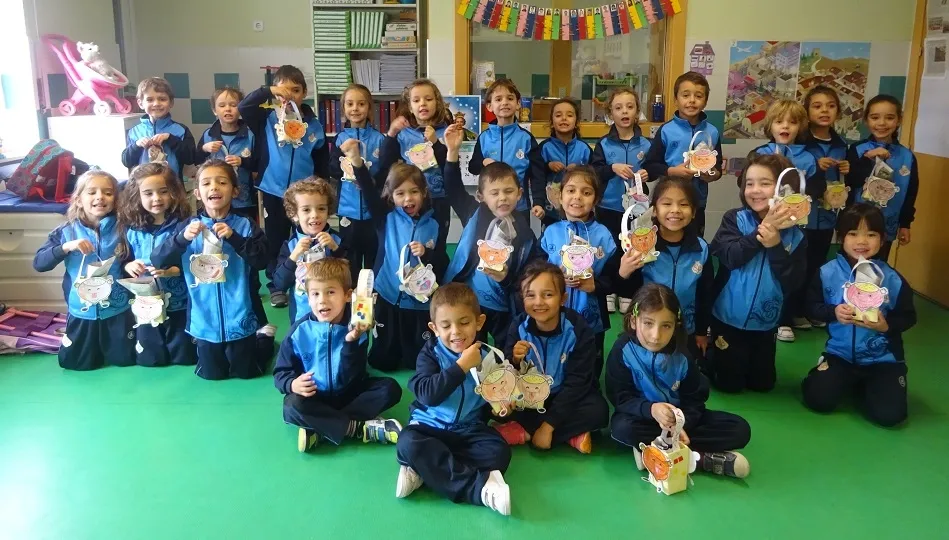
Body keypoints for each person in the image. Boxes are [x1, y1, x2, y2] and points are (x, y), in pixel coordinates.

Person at [606, 283, 751, 479]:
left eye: (666, 326)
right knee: (622, 429)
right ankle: (700, 459)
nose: (656, 336)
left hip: (679, 423)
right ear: (634, 321)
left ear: (676, 326)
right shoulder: (622, 350)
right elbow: (621, 398)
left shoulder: (683, 355)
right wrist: (651, 409)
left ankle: (654, 452)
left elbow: (695, 400)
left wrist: (680, 425)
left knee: (739, 429)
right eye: (648, 323)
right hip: (643, 419)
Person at [395, 283, 513, 516]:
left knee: (499, 452)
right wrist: (460, 367)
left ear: (479, 322)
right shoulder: (430, 354)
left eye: (464, 322)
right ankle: (479, 490)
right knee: (408, 442)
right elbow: (428, 394)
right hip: (429, 429)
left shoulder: (489, 357)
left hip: (468, 430)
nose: (456, 332)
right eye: (446, 325)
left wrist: (501, 409)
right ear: (434, 328)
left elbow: (489, 401)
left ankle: (426, 469)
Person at [151, 160, 271, 380]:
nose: (214, 187)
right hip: (203, 316)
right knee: (211, 375)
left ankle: (263, 339)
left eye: (222, 182)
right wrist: (181, 239)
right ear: (197, 193)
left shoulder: (244, 225)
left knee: (248, 373)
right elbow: (158, 259)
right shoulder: (186, 227)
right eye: (206, 183)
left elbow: (262, 260)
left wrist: (235, 238)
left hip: (241, 314)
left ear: (235, 191)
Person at [801, 203, 915, 427]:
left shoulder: (892, 279)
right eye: (853, 234)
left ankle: (873, 384)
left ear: (882, 240)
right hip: (840, 355)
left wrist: (886, 326)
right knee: (818, 400)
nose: (861, 241)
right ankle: (830, 374)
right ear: (841, 237)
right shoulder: (827, 272)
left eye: (871, 234)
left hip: (882, 359)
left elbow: (909, 317)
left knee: (890, 416)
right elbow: (810, 306)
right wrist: (832, 312)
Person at [274, 258, 403, 451]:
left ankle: (321, 428)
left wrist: (351, 341)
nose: (322, 300)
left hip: (350, 392)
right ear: (308, 298)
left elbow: (351, 375)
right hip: (315, 396)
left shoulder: (356, 327)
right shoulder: (298, 332)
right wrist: (292, 384)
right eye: (315, 294)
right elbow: (280, 373)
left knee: (390, 389)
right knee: (291, 405)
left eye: (331, 292)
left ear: (348, 295)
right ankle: (357, 428)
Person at [346, 139, 448, 371]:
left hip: (419, 301)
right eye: (400, 193)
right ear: (391, 196)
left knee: (417, 362)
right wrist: (356, 161)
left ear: (423, 193)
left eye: (414, 192)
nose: (408, 199)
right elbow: (370, 192)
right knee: (383, 361)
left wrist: (427, 253)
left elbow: (441, 259)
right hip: (388, 295)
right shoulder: (386, 219)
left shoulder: (434, 223)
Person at [708, 154, 807, 393]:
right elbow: (730, 256)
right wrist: (762, 234)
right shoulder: (734, 219)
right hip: (727, 318)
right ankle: (710, 355)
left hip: (766, 324)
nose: (755, 190)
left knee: (762, 385)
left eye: (764, 183)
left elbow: (794, 281)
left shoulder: (797, 234)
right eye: (749, 184)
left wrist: (775, 246)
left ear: (784, 188)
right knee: (728, 385)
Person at [442, 122, 541, 350]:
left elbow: (525, 276)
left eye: (508, 192)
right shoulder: (473, 213)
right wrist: (452, 153)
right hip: (470, 301)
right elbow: (453, 188)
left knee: (503, 352)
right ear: (481, 196)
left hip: (502, 306)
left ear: (520, 194)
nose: (502, 198)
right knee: (471, 351)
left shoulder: (525, 234)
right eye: (494, 193)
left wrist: (506, 278)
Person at [494, 262, 609, 453]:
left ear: (562, 298)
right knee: (493, 405)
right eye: (530, 295)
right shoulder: (519, 326)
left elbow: (578, 382)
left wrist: (548, 427)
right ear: (523, 298)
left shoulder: (578, 329)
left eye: (548, 295)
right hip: (530, 397)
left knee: (599, 411)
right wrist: (514, 359)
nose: (538, 302)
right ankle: (570, 436)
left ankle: (527, 432)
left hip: (564, 395)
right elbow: (508, 372)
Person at [239, 65, 328, 309]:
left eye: (296, 90)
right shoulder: (266, 119)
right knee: (276, 239)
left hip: (305, 196)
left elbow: (322, 162)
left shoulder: (315, 125)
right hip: (273, 190)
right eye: (283, 90)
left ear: (305, 92)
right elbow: (243, 107)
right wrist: (269, 90)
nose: (289, 96)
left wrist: (320, 191)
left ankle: (311, 278)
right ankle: (277, 285)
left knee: (306, 237)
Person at [33, 170, 135, 370]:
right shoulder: (66, 231)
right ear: (78, 200)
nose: (100, 197)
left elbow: (130, 261)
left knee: (127, 360)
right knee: (74, 363)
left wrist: (130, 265)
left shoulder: (125, 229)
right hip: (83, 310)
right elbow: (39, 263)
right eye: (92, 192)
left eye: (107, 192)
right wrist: (66, 247)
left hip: (116, 309)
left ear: (115, 199)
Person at [617, 177, 714, 369]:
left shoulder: (701, 248)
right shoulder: (642, 246)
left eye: (684, 204)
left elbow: (705, 294)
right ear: (654, 210)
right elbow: (628, 291)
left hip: (686, 329)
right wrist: (623, 273)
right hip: (648, 328)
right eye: (667, 203)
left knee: (681, 375)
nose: (675, 210)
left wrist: (702, 332)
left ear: (694, 212)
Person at [750, 98, 826, 343]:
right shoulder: (759, 154)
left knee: (791, 270)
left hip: (795, 227)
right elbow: (747, 187)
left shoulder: (808, 158)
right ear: (769, 125)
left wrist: (799, 200)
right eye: (779, 121)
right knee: (763, 269)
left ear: (800, 127)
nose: (785, 127)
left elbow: (816, 188)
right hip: (763, 223)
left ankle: (786, 316)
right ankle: (762, 312)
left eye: (792, 123)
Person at [540, 166, 618, 377]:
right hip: (555, 313)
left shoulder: (604, 236)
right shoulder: (550, 233)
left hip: (592, 317)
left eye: (586, 192)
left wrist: (596, 285)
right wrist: (554, 278)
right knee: (556, 361)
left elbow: (614, 279)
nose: (577, 197)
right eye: (571, 190)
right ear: (560, 195)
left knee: (590, 363)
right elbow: (537, 271)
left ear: (596, 199)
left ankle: (588, 388)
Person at [118, 162, 196, 367]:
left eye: (163, 192)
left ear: (173, 193)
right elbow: (123, 259)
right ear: (137, 196)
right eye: (148, 193)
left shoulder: (184, 226)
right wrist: (129, 266)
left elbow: (194, 262)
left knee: (184, 357)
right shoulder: (131, 229)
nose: (156, 199)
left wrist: (171, 271)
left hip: (178, 302)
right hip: (146, 304)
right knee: (150, 360)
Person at [590, 87, 651, 315]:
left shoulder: (646, 144)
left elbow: (655, 167)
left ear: (636, 112)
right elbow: (595, 171)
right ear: (610, 114)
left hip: (637, 209)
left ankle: (628, 292)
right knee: (610, 250)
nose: (624, 111)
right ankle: (609, 291)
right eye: (618, 108)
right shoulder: (604, 144)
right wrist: (611, 168)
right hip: (609, 206)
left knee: (634, 249)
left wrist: (649, 173)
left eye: (629, 106)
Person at [642, 71, 722, 236]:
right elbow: (650, 167)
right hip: (668, 203)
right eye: (685, 95)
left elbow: (717, 167)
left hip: (697, 202)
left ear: (705, 101)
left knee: (694, 242)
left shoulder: (712, 132)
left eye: (698, 96)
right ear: (676, 100)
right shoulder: (666, 131)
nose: (692, 100)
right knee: (664, 243)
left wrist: (711, 174)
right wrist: (672, 171)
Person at [380, 78, 452, 254]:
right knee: (411, 243)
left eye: (428, 99)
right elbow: (385, 163)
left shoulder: (446, 131)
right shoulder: (404, 134)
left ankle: (438, 278)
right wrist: (391, 133)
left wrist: (436, 142)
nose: (423, 104)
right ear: (410, 106)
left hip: (438, 197)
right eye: (416, 100)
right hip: (410, 200)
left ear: (437, 102)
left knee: (437, 244)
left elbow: (450, 166)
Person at [846, 95, 919, 263]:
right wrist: (867, 159)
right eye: (875, 117)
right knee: (852, 267)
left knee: (878, 267)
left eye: (890, 117)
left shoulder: (907, 157)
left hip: (888, 224)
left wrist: (905, 224)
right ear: (866, 120)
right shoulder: (857, 150)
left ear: (899, 120)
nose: (882, 123)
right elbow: (851, 182)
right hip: (857, 223)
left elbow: (911, 193)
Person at [800, 86, 850, 328]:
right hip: (801, 217)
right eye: (817, 106)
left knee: (818, 264)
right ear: (807, 111)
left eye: (830, 106)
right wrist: (813, 166)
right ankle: (790, 313)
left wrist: (849, 170)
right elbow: (791, 177)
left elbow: (850, 183)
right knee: (798, 264)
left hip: (828, 215)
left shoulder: (842, 146)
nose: (824, 111)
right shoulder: (801, 143)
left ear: (837, 112)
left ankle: (813, 310)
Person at [328, 84, 386, 284]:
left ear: (369, 108)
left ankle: (372, 301)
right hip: (348, 209)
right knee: (349, 259)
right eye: (350, 104)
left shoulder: (379, 139)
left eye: (361, 104)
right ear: (343, 108)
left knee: (372, 259)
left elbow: (386, 173)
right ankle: (350, 297)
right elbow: (332, 170)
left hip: (373, 211)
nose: (355, 108)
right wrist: (341, 159)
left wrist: (370, 181)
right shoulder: (340, 139)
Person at [469, 78, 544, 224]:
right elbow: (473, 167)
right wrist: (484, 161)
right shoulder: (484, 137)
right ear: (489, 106)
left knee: (520, 244)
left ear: (518, 104)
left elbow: (537, 175)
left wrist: (538, 201)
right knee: (490, 245)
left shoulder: (526, 138)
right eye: (498, 99)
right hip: (490, 207)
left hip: (519, 207)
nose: (504, 102)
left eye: (510, 98)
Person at [271, 178, 346, 323]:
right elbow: (280, 284)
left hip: (335, 315)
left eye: (321, 208)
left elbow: (352, 277)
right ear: (294, 214)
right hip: (302, 317)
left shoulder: (338, 241)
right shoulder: (291, 245)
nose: (315, 215)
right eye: (306, 209)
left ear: (328, 211)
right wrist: (293, 257)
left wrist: (336, 250)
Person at [195, 87, 257, 221]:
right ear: (214, 110)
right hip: (216, 198)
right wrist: (204, 149)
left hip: (243, 199)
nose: (228, 109)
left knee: (244, 232)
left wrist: (243, 162)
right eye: (222, 105)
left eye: (233, 105)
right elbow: (196, 160)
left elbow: (259, 163)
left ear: (241, 108)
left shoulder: (251, 134)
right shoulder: (208, 134)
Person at [531, 98, 591, 228]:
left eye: (569, 115)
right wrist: (548, 166)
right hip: (551, 210)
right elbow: (537, 177)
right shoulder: (544, 148)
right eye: (558, 115)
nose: (564, 118)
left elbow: (594, 175)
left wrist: (579, 169)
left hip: (579, 208)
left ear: (576, 122)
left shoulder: (584, 148)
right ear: (552, 122)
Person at [121, 77, 195, 180]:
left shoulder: (181, 130)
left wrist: (171, 139)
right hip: (144, 188)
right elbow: (126, 161)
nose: (156, 103)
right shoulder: (134, 132)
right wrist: (136, 145)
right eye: (150, 100)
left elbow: (190, 158)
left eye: (162, 99)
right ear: (140, 103)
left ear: (171, 103)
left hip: (173, 187)